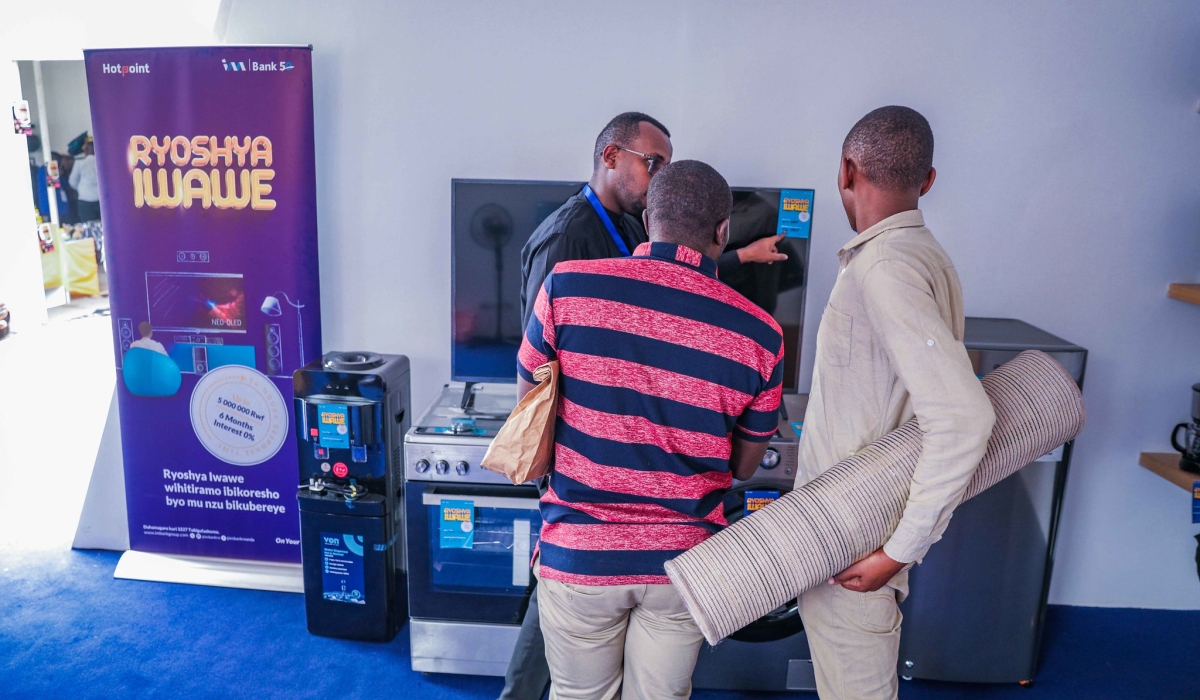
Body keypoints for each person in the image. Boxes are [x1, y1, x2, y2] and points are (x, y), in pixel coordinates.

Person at [518, 160, 785, 700]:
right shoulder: (762, 334)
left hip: (578, 552)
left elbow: (529, 410)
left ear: (648, 217)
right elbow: (743, 467)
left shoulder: (568, 287)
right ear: (722, 230)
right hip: (681, 568)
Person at [795, 106, 995, 700]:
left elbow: (964, 417)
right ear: (927, 180)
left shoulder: (885, 268)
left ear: (846, 170)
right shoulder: (915, 254)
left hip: (854, 539)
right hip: (853, 525)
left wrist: (896, 551)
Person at [68, 132, 100, 222]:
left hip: (85, 199)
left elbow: (72, 181)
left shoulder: (80, 162)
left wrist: (81, 189)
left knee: (88, 226)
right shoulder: (103, 162)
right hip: (101, 199)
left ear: (86, 150)